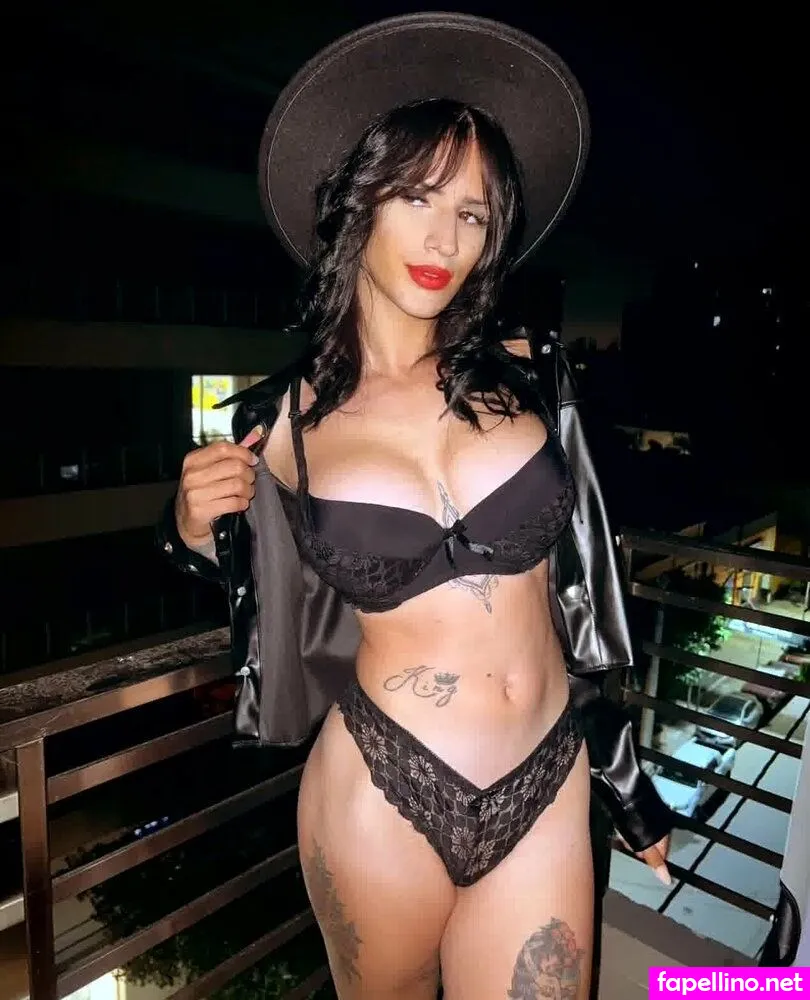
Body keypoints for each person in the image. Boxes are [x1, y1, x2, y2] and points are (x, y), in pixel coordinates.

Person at [157, 14, 673, 999]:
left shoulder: (530, 375)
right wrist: (187, 528)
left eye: (474, 214)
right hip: (378, 794)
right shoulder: (279, 423)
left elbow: (584, 590)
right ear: (359, 203)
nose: (446, 239)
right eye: (418, 197)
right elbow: (252, 585)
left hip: (546, 780)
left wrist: (624, 777)